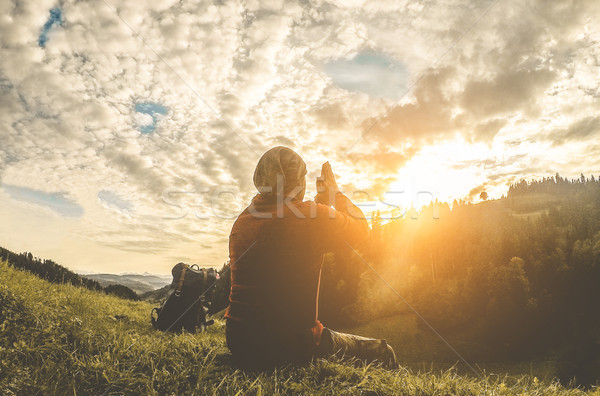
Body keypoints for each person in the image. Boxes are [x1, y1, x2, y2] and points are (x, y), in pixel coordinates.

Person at [225, 146, 398, 369]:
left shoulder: (242, 221)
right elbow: (362, 229)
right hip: (289, 345)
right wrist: (334, 193)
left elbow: (296, 235)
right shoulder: (308, 217)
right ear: (296, 181)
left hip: (240, 341)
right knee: (384, 352)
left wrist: (320, 202)